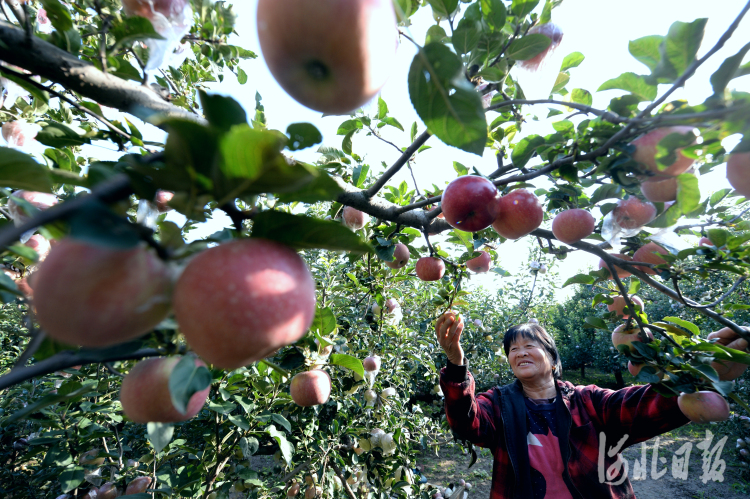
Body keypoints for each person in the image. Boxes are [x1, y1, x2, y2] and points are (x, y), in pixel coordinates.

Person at [436, 312, 749, 499]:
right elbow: (468, 423)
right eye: (513, 349)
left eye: (529, 344)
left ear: (552, 357)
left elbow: (639, 406)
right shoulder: (498, 403)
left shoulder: (587, 400)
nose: (520, 352)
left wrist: (696, 372)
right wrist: (455, 365)